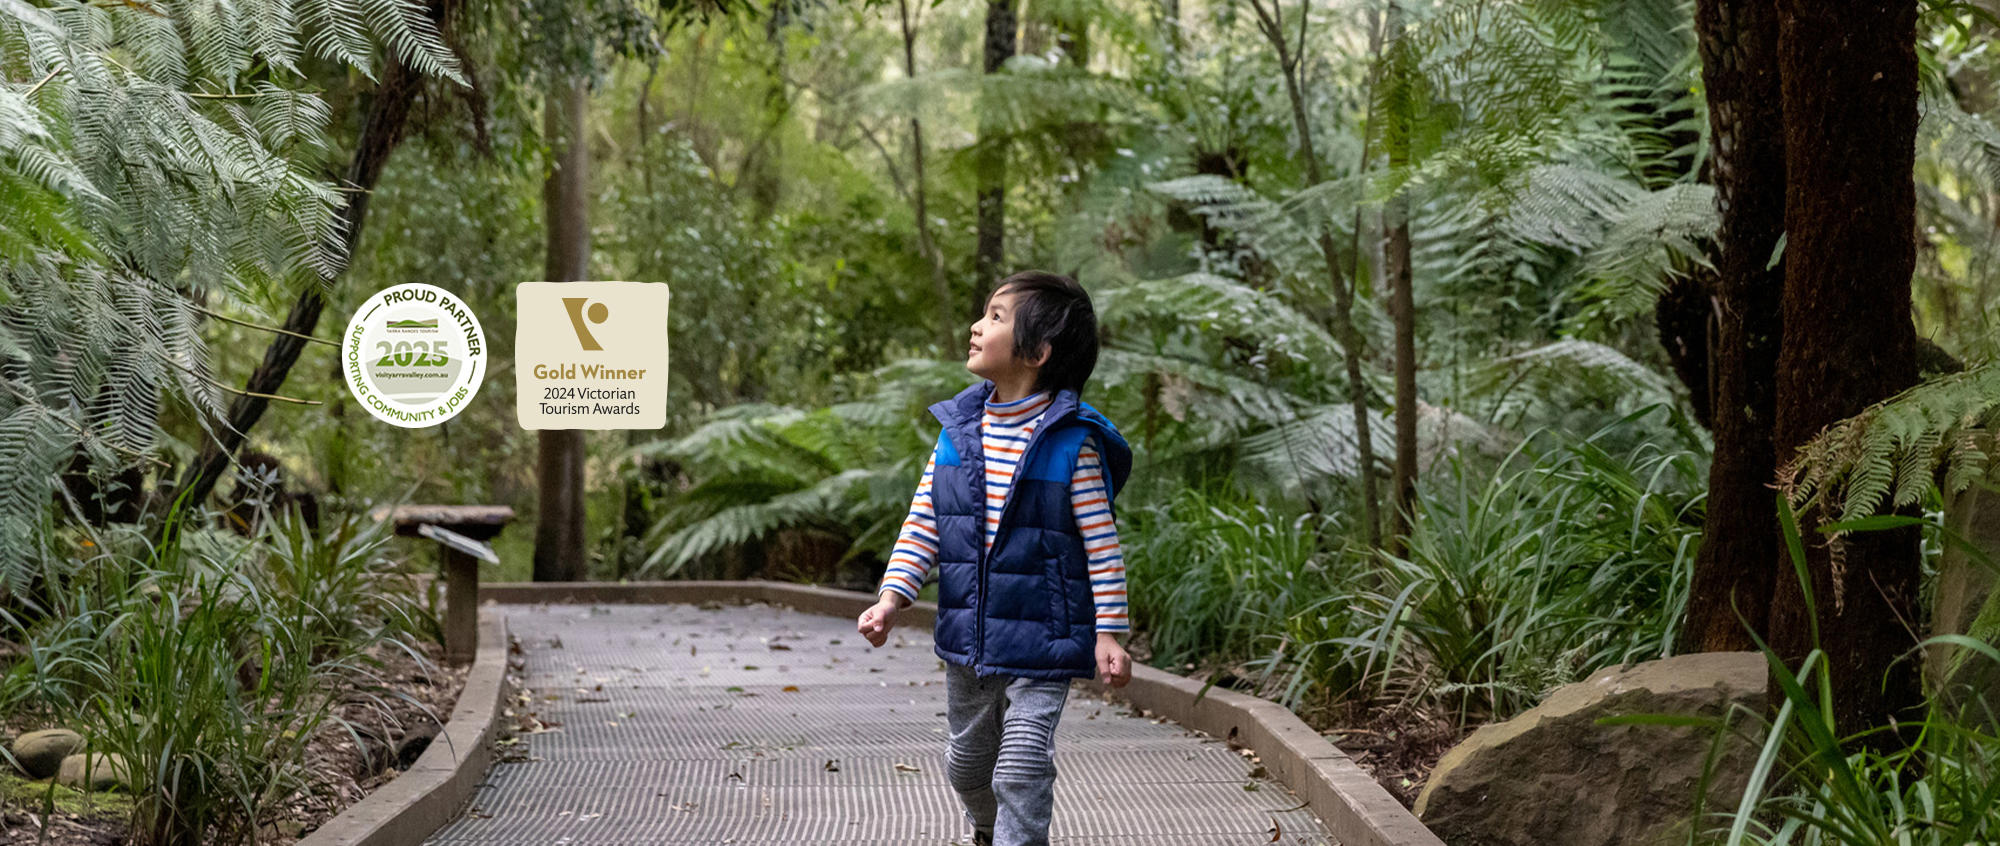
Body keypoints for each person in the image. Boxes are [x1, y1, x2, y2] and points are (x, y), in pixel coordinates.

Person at [857, 270, 1135, 846]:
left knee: (1022, 766)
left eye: (996, 317)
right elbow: (924, 524)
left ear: (1038, 352)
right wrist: (890, 598)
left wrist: (1108, 633)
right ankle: (985, 829)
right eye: (985, 314)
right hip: (971, 635)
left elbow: (1101, 545)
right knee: (967, 766)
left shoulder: (1071, 443)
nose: (977, 327)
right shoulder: (957, 435)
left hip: (1047, 637)